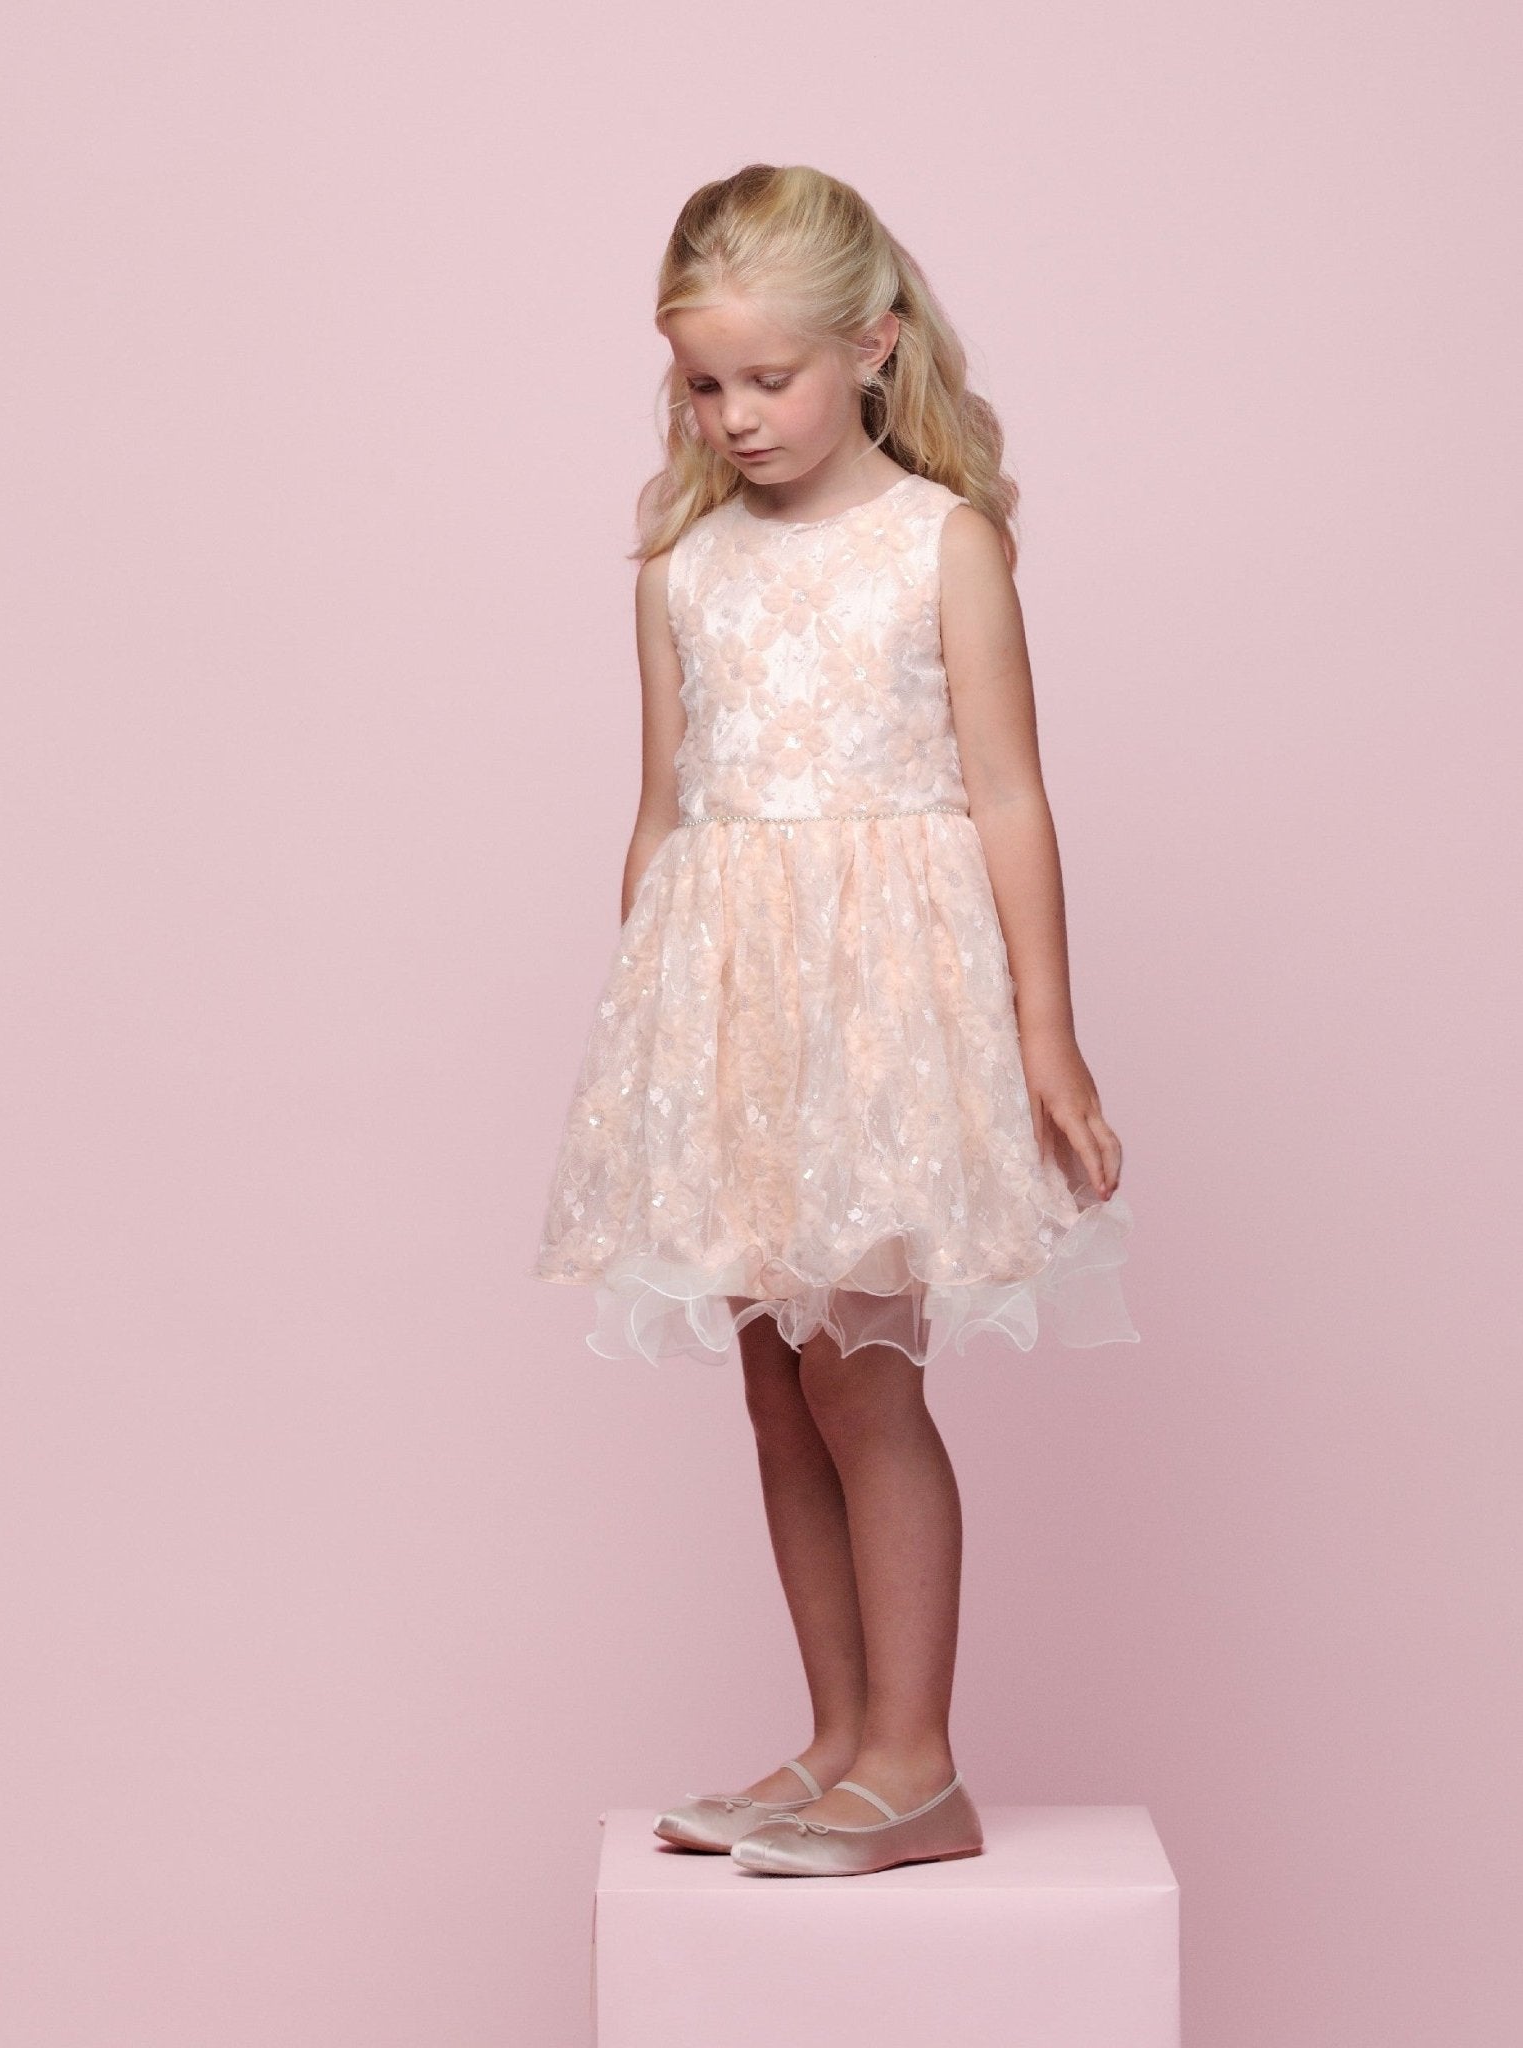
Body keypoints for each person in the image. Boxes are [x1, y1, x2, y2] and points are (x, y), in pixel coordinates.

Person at [531, 163, 1139, 1877]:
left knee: (859, 1379)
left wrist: (1046, 1036)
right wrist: (648, 1043)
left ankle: (917, 1763)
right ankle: (837, 1743)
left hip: (881, 1014)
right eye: (700, 385)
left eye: (766, 378)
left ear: (871, 346)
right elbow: (664, 814)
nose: (733, 416)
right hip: (728, 1014)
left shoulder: (941, 544)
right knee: (773, 1385)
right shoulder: (681, 571)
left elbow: (1007, 795)